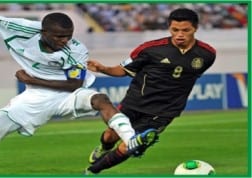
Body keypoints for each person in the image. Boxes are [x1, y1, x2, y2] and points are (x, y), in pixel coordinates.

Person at [0, 3, 157, 175]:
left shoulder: (76, 49)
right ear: (43, 32)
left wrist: (31, 79)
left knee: (100, 99)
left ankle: (131, 140)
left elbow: (74, 85)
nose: (65, 41)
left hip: (68, 95)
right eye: (59, 37)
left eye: (68, 36)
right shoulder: (18, 28)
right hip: (33, 99)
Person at [84, 8, 216, 174]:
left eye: (185, 30)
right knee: (111, 136)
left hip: (165, 111)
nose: (180, 34)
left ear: (195, 28)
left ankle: (91, 171)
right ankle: (103, 148)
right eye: (175, 30)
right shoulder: (150, 49)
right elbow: (123, 70)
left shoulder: (207, 54)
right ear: (169, 28)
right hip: (135, 102)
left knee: (130, 146)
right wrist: (103, 68)